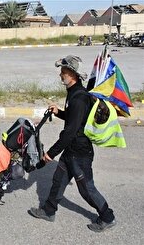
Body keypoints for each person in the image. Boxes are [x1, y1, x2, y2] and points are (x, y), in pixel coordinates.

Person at [28, 55, 116, 232]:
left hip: (80, 152)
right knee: (58, 180)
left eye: (64, 72)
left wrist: (50, 153)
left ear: (73, 75)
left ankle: (107, 217)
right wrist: (59, 112)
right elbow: (74, 119)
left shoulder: (79, 98)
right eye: (61, 71)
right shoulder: (73, 93)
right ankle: (48, 211)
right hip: (71, 149)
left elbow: (70, 131)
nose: (61, 75)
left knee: (86, 189)